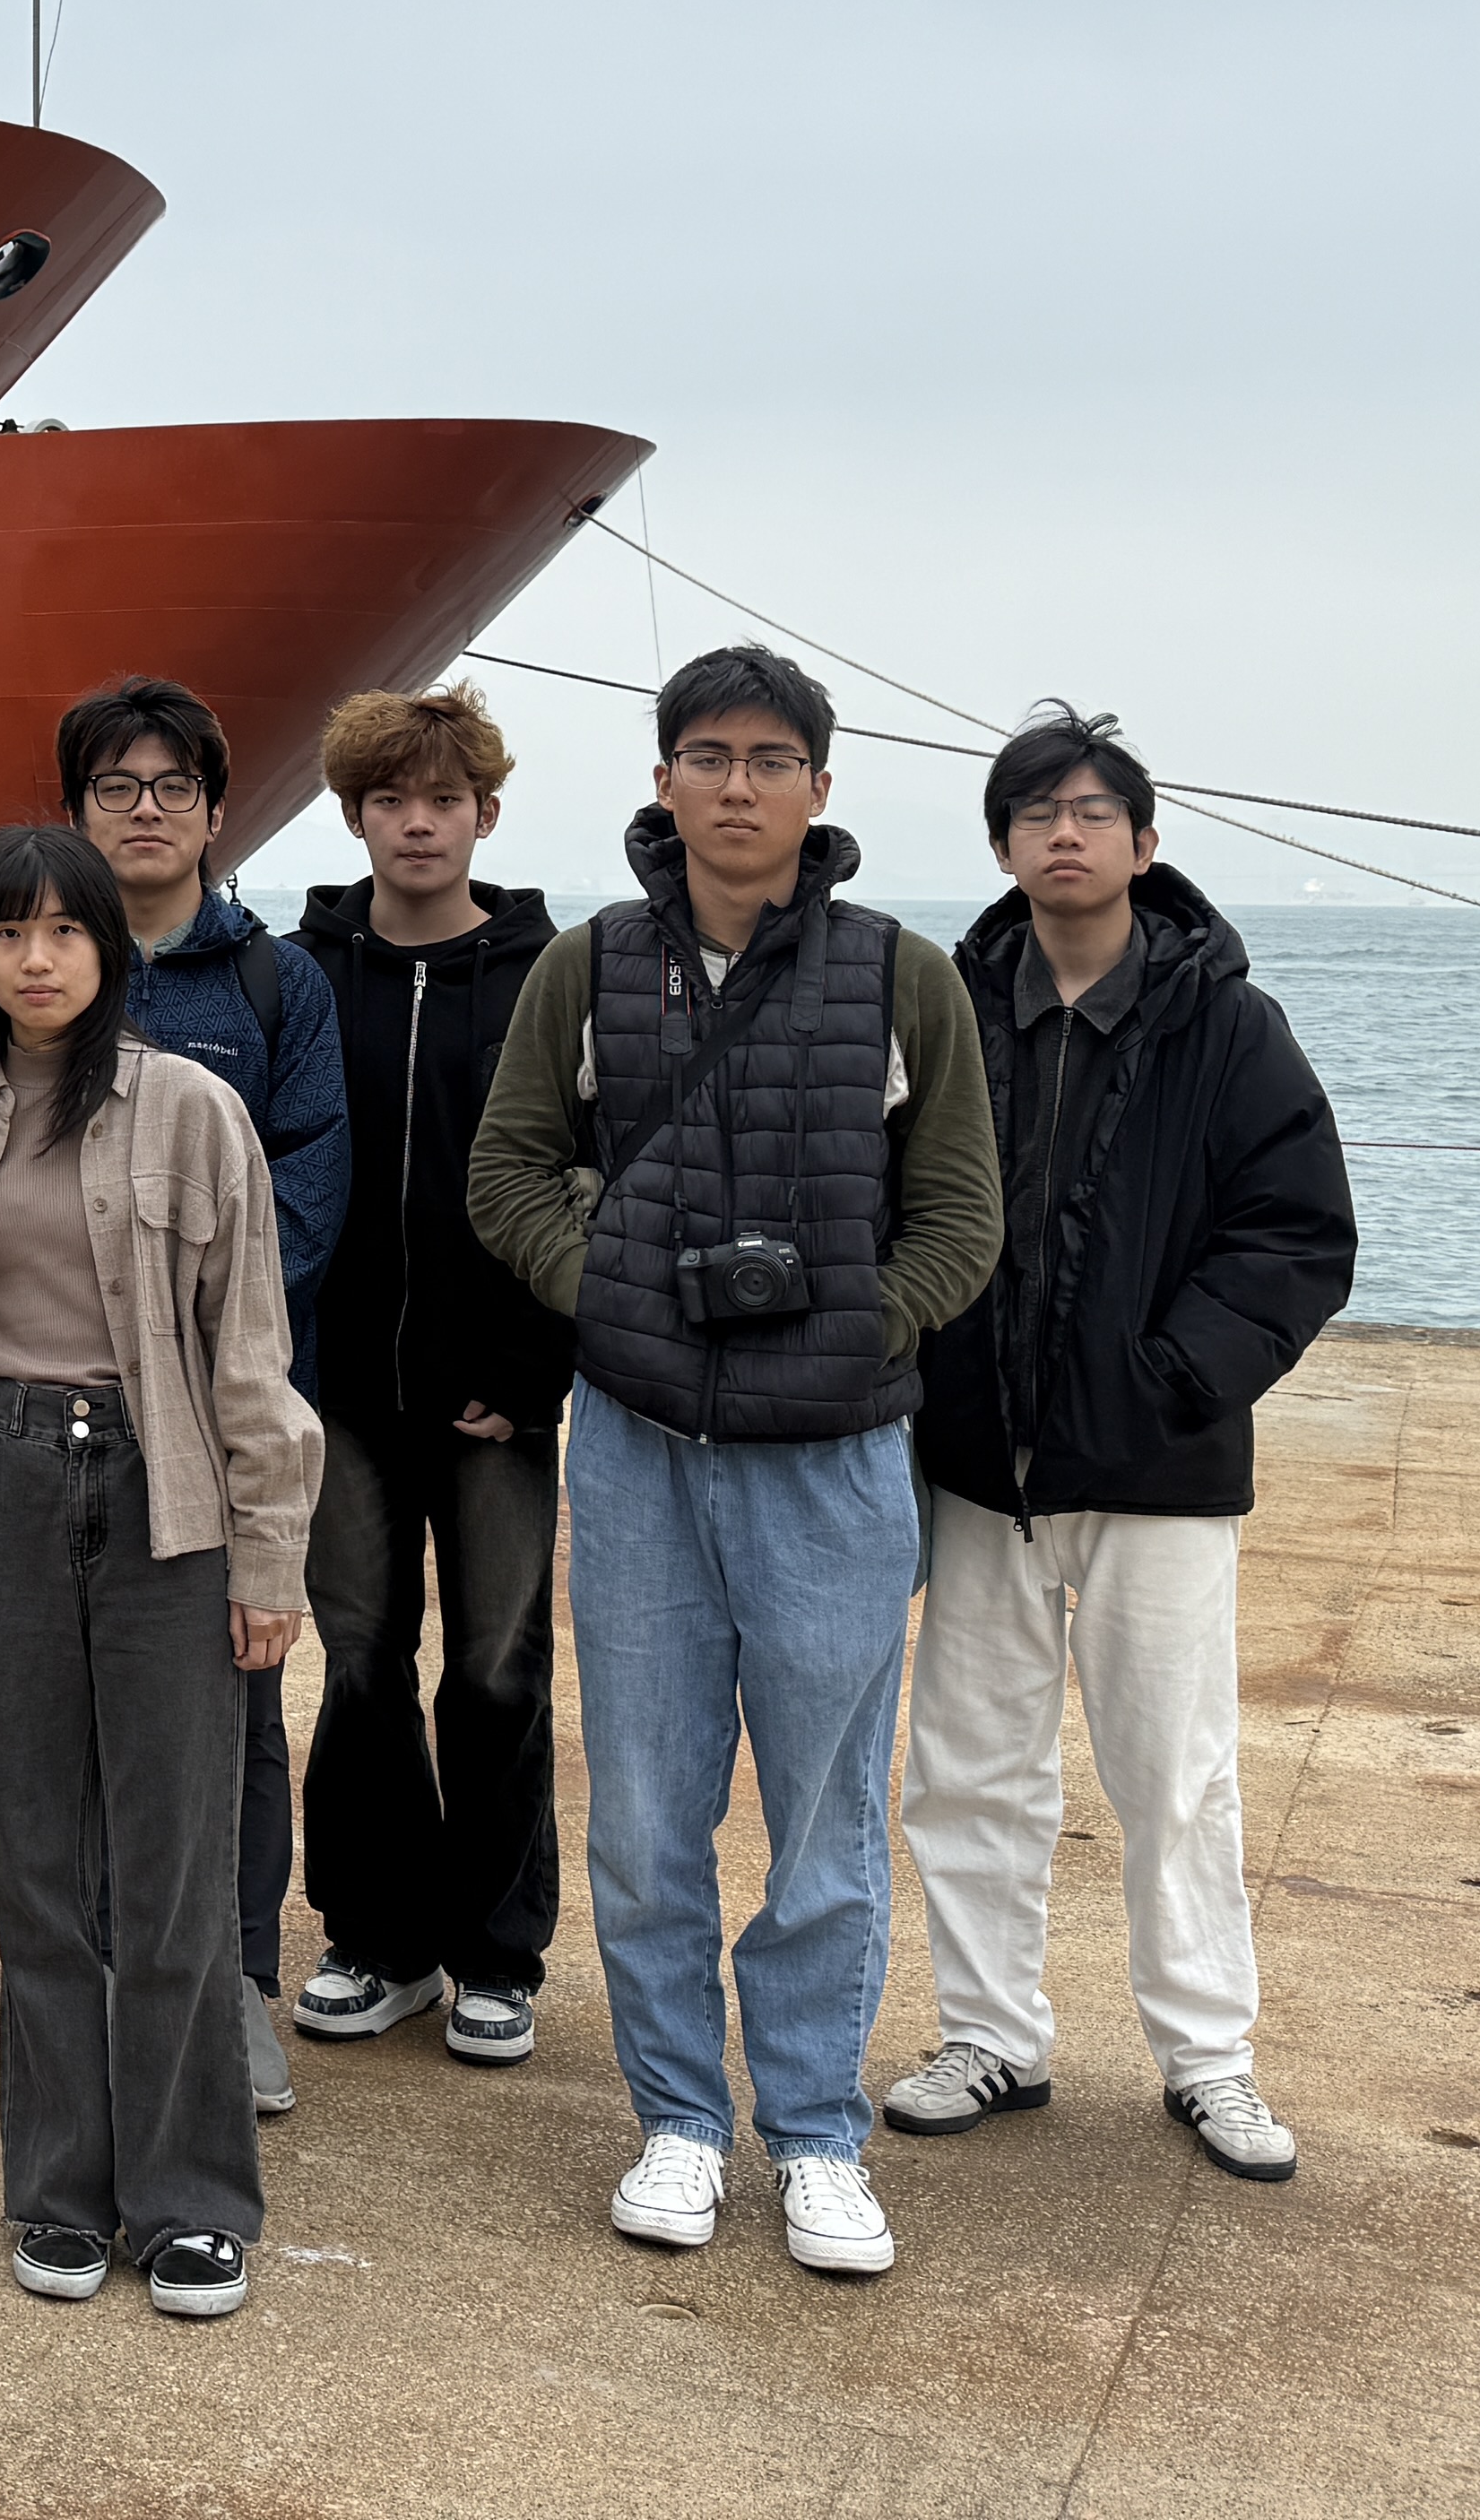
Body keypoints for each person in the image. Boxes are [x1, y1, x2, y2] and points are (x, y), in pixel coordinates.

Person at [470, 645, 1000, 2279]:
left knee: (827, 1822)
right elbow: (509, 1171)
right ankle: (678, 2120)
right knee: (641, 1812)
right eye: (705, 753)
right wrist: (613, 1295)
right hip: (636, 1447)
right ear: (660, 778)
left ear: (821, 788)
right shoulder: (588, 962)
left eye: (772, 756)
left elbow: (962, 1214)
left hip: (835, 1462)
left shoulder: (904, 976)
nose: (737, 783)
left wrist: (858, 1327)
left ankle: (821, 2134)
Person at [887, 707, 1356, 2187]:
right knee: (967, 1762)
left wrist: (1174, 1375)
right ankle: (989, 2033)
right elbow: (886, 1202)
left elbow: (1294, 1232)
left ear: (1144, 843)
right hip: (980, 1460)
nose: (1066, 833)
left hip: (1155, 1467)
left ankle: (1208, 2055)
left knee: (1174, 1773)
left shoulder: (1227, 1022)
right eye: (1036, 811)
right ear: (1002, 844)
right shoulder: (948, 1009)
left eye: (1093, 810)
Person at [0, 829, 316, 2320]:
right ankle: (60, 2187)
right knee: (42, 1870)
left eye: (65, 929)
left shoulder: (193, 1111)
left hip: (165, 1495)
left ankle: (190, 2195)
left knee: (177, 1864)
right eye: (8, 930)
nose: (38, 956)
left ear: (107, 950)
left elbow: (248, 1349)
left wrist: (267, 1555)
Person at [57, 676, 343, 2116]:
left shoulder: (275, 987)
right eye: (118, 786)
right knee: (81, 1714)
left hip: (216, 1395)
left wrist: (192, 1316)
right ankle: (106, 1976)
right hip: (61, 1407)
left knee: (233, 1703)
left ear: (220, 813)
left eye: (173, 786)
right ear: (78, 812)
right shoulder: (41, 971)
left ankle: (232, 1984)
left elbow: (310, 1182)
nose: (147, 808)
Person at [284, 681, 567, 2072]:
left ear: (485, 816)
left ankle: (497, 1955)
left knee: (501, 1668)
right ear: (354, 817)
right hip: (340, 1390)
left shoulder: (544, 976)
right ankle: (375, 1938)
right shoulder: (304, 973)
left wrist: (532, 1367)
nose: (417, 823)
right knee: (359, 1661)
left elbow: (588, 1181)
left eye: (443, 799)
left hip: (499, 1396)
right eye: (391, 799)